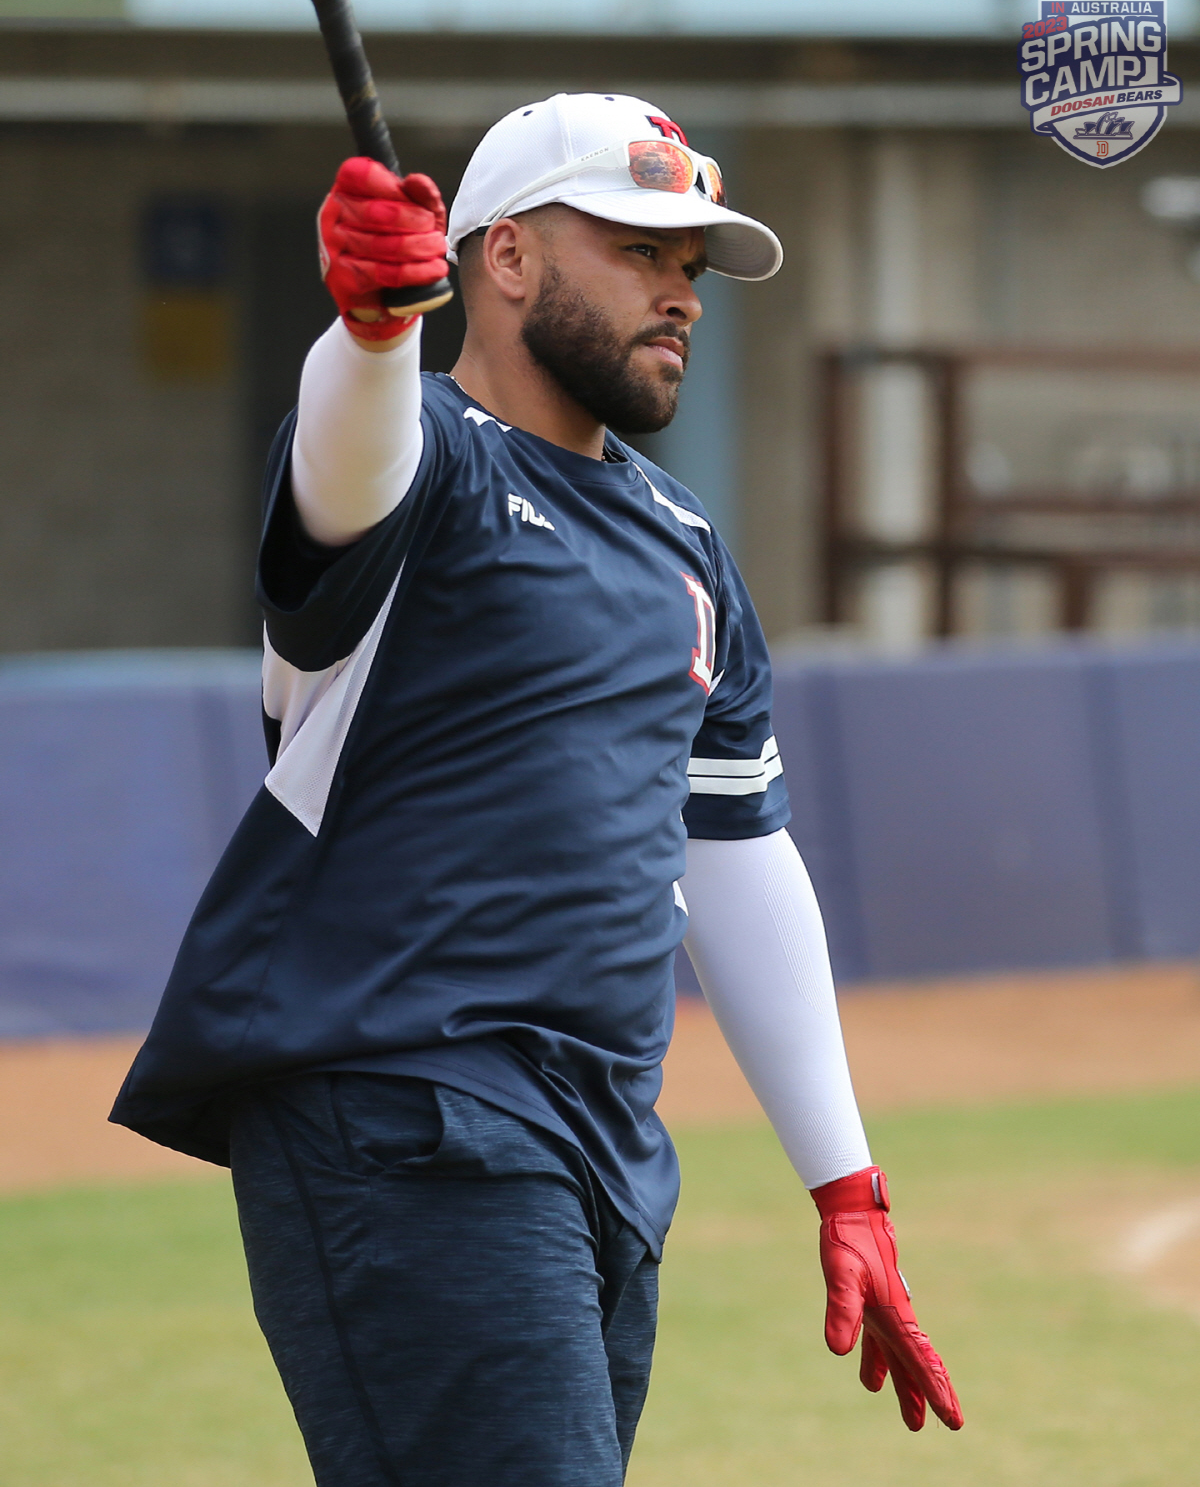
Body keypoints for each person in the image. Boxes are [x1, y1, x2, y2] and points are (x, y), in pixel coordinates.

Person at [111, 92, 961, 1486]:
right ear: (503, 257)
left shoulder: (687, 543)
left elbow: (735, 852)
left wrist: (845, 1180)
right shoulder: (425, 461)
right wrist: (369, 332)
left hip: (605, 1146)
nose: (681, 294)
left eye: (690, 264)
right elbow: (349, 454)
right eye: (638, 250)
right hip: (406, 1109)